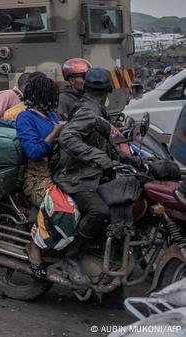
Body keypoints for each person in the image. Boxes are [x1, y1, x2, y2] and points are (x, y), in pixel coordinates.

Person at [54, 68, 134, 286]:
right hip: (77, 176)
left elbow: (106, 138)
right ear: (109, 89)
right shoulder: (89, 110)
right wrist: (99, 158)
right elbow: (68, 137)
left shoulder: (96, 108)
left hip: (93, 173)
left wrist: (130, 159)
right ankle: (71, 257)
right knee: (99, 211)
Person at [14, 75, 63, 278]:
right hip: (37, 178)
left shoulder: (51, 116)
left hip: (57, 173)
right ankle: (34, 247)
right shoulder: (25, 118)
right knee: (64, 207)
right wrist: (57, 132)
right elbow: (33, 152)